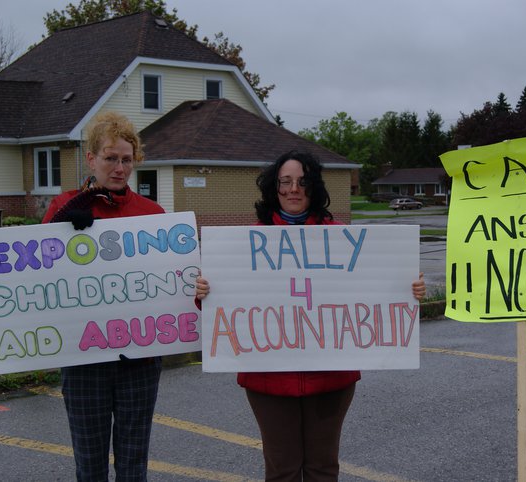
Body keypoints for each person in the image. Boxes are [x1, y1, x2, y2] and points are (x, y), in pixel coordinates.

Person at [195, 150, 426, 481]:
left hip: (331, 378)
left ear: (313, 187)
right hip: (268, 380)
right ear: (273, 188)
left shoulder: (342, 238)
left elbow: (378, 288)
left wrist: (410, 289)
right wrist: (204, 294)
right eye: (285, 182)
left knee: (322, 469)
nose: (293, 189)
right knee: (282, 470)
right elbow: (224, 306)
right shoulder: (245, 242)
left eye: (302, 182)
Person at [43, 111, 165, 481]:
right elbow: (39, 270)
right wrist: (66, 218)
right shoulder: (65, 204)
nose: (119, 167)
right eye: (111, 158)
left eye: (126, 159)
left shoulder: (152, 214)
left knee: (133, 464)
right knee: (90, 465)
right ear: (92, 159)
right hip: (84, 359)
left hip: (139, 357)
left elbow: (169, 279)